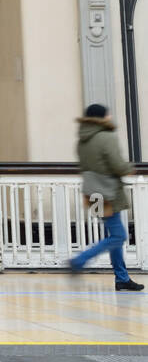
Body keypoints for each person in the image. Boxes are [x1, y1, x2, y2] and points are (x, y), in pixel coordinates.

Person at [69, 104, 143, 291]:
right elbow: (117, 164)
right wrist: (129, 169)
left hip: (92, 193)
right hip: (108, 191)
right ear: (101, 118)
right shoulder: (107, 137)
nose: (110, 116)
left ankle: (121, 278)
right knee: (119, 236)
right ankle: (80, 260)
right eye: (107, 114)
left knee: (113, 235)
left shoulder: (82, 140)